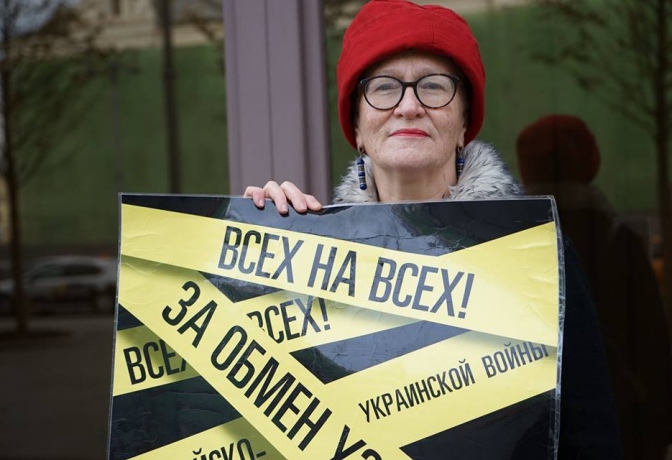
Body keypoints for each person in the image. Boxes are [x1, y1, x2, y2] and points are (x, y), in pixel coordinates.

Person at [244, 0, 622, 457]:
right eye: (384, 87)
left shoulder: (534, 255)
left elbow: (591, 436)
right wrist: (255, 252)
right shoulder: (306, 259)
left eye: (433, 86)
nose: (409, 106)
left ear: (463, 124)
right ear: (357, 127)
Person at [516, 114, 672, 460]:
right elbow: (653, 347)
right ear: (590, 162)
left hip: (532, 427)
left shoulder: (511, 246)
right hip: (624, 425)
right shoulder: (619, 241)